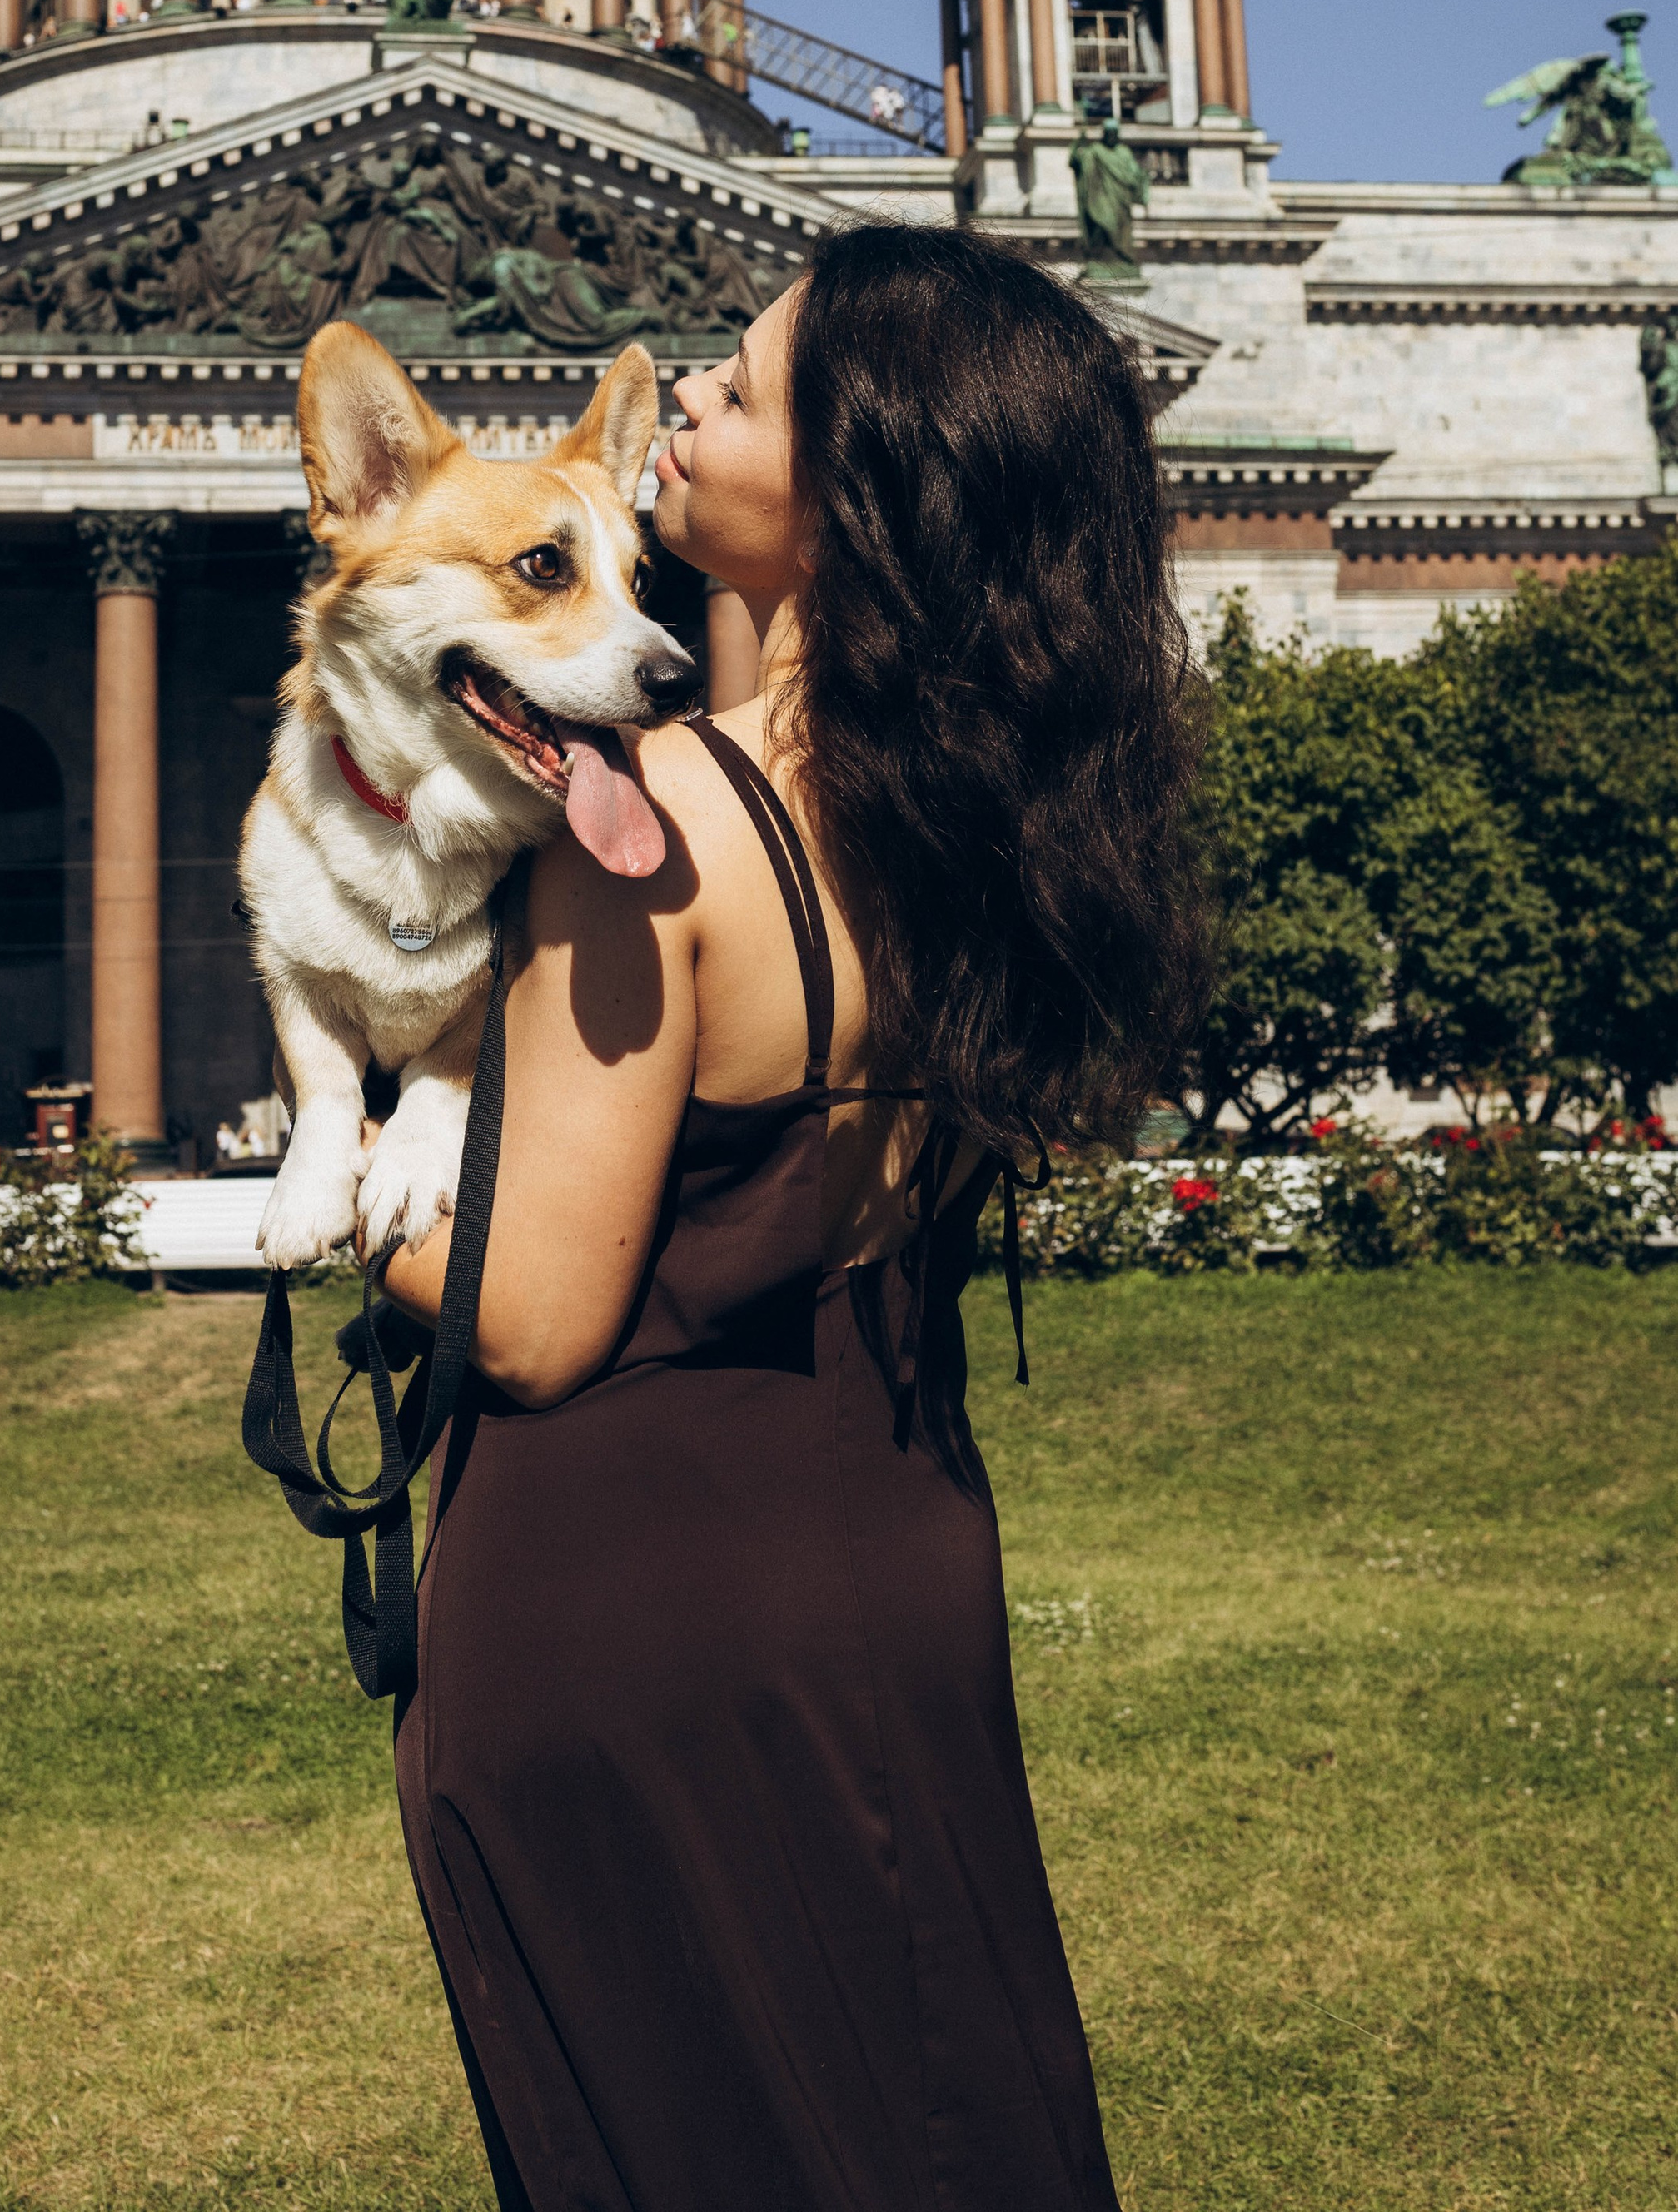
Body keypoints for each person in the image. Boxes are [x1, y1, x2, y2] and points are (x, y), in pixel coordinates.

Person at [380, 222, 1206, 2212]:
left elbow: (531, 1317)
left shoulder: (651, 823)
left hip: (628, 1615)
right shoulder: (982, 817)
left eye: (736, 388)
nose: (673, 400)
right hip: (891, 1556)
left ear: (850, 492)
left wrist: (349, 1191)